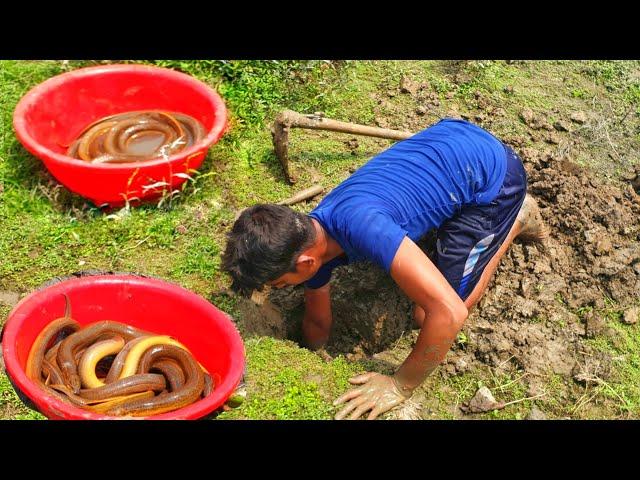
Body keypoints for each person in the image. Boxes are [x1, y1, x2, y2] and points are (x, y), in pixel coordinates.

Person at [222, 118, 548, 420]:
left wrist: (400, 385)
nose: (281, 289)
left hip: (494, 177)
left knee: (427, 315)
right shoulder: (310, 235)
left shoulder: (364, 228)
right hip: (449, 147)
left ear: (306, 263)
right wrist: (309, 354)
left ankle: (518, 218)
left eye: (279, 283)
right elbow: (317, 320)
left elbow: (449, 315)